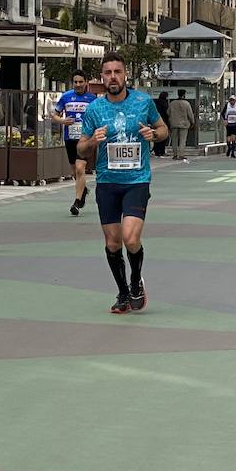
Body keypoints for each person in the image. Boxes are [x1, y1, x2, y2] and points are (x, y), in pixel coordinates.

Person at [77, 52, 167, 314]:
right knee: (113, 242)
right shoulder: (95, 109)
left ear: (125, 75)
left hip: (137, 180)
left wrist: (154, 134)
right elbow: (81, 149)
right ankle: (123, 293)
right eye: (108, 72)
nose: (113, 77)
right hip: (107, 182)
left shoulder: (142, 102)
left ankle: (136, 280)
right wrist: (93, 141)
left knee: (130, 237)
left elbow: (163, 130)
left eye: (117, 71)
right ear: (102, 77)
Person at [51, 70, 97, 216]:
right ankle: (83, 190)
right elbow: (54, 115)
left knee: (80, 168)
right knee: (74, 170)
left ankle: (77, 203)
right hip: (69, 137)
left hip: (84, 139)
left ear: (86, 82)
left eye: (80, 82)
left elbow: (97, 116)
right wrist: (63, 121)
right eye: (75, 82)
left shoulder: (92, 98)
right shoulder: (65, 97)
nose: (78, 85)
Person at [167, 89, 195, 162]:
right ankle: (181, 154)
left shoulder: (172, 103)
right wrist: (192, 122)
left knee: (174, 140)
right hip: (184, 124)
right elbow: (190, 114)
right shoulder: (186, 103)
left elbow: (168, 113)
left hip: (174, 123)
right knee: (183, 140)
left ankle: (175, 154)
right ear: (184, 95)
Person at [152, 92, 170, 158]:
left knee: (156, 136)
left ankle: (156, 151)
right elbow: (166, 113)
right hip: (163, 121)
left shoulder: (155, 102)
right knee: (163, 137)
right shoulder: (164, 103)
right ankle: (162, 152)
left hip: (155, 121)